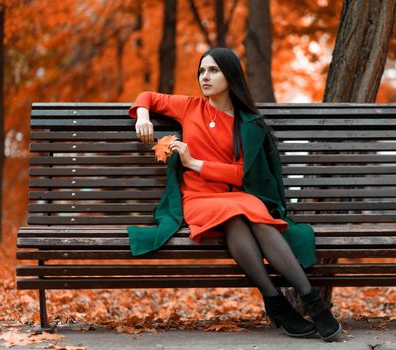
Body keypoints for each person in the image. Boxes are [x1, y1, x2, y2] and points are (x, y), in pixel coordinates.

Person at [128, 47, 341, 342]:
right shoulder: (189, 107)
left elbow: (242, 174)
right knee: (238, 215)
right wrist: (142, 115)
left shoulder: (248, 124)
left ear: (230, 75)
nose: (205, 76)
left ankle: (309, 302)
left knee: (249, 212)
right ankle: (276, 299)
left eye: (213, 70)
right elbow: (147, 97)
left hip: (236, 197)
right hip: (198, 199)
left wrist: (194, 163)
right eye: (202, 71)